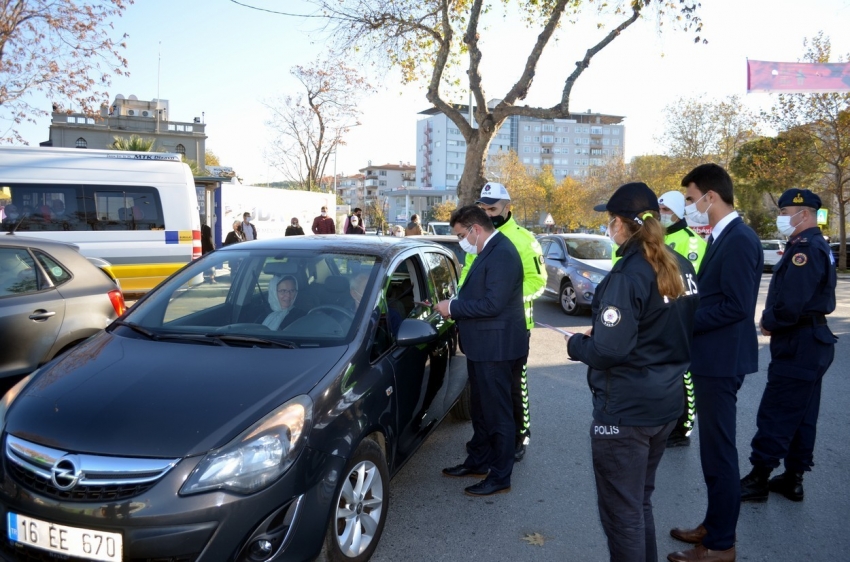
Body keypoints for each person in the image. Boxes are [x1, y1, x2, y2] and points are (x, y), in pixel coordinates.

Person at [565, 182, 700, 562]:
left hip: (626, 412)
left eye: (611, 221)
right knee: (638, 503)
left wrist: (577, 346)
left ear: (623, 226)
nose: (609, 228)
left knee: (623, 513)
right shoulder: (680, 265)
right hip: (664, 404)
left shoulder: (629, 275)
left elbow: (608, 350)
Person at [668, 164, 763, 562]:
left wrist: (685, 317)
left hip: (722, 361)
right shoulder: (725, 236)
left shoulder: (739, 239)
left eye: (691, 199)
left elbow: (737, 307)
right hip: (713, 358)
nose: (690, 206)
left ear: (711, 196)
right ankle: (714, 524)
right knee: (712, 451)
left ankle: (722, 545)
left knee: (720, 453)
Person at [739, 189, 837, 503]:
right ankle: (793, 478)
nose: (780, 217)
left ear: (803, 214)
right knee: (803, 413)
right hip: (811, 341)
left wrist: (770, 321)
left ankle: (759, 478)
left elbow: (791, 302)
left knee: (778, 411)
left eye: (784, 212)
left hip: (799, 341)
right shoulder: (811, 245)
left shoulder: (805, 249)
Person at [435, 205, 527, 497]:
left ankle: (500, 475)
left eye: (461, 235)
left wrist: (453, 308)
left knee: (498, 414)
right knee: (482, 410)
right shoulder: (488, 249)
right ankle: (479, 460)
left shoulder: (501, 252)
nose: (461, 241)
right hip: (483, 348)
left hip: (496, 350)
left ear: (475, 229)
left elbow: (492, 304)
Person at [460, 181, 546, 462]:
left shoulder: (523, 239)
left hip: (513, 325)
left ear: (508, 207)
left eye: (492, 208)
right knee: (485, 392)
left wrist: (503, 299)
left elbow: (538, 281)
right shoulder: (478, 235)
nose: (487, 212)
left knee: (512, 387)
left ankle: (519, 436)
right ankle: (487, 441)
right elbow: (468, 277)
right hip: (480, 323)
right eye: (482, 207)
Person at [658, 190, 708, 448]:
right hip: (662, 319)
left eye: (666, 211)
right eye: (660, 211)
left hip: (684, 319)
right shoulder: (658, 240)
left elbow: (694, 286)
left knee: (684, 376)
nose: (662, 216)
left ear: (677, 213)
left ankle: (683, 429)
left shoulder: (691, 243)